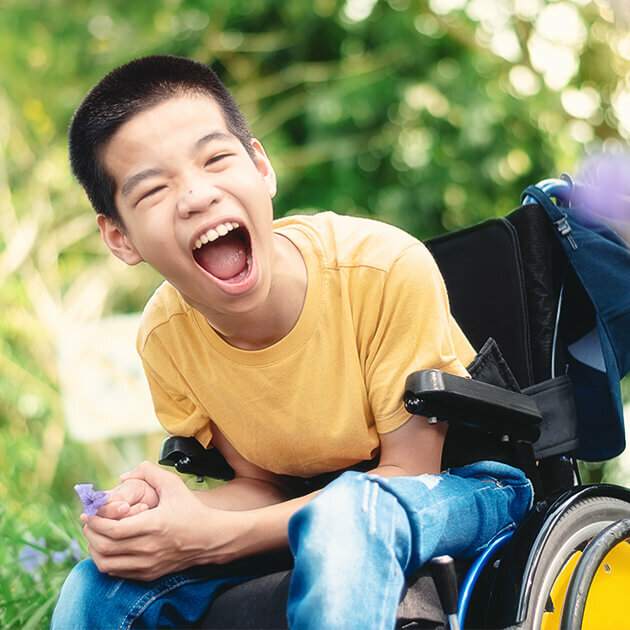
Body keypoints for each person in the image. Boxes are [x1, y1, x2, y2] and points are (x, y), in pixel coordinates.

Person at [51, 55, 533, 630]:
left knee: (348, 516)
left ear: (262, 167)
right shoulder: (166, 337)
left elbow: (407, 473)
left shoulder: (384, 268)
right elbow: (260, 486)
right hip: (313, 505)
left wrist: (212, 539)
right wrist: (166, 518)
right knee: (98, 585)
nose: (196, 196)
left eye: (216, 159)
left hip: (457, 486)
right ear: (120, 237)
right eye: (153, 190)